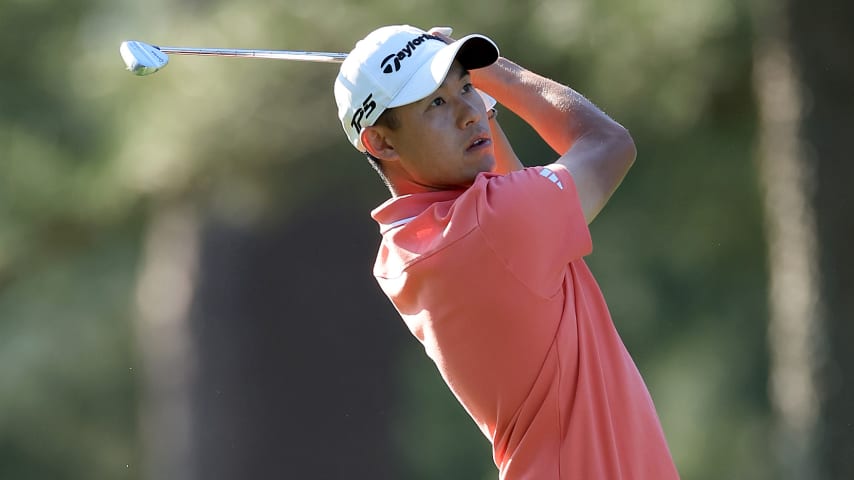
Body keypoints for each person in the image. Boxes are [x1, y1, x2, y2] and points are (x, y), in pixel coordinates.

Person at [333, 25, 680, 479]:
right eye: (436, 103)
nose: (469, 113)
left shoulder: (411, 240)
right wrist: (494, 71)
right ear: (381, 141)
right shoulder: (494, 225)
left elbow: (503, 185)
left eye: (465, 88)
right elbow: (608, 143)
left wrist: (468, 90)